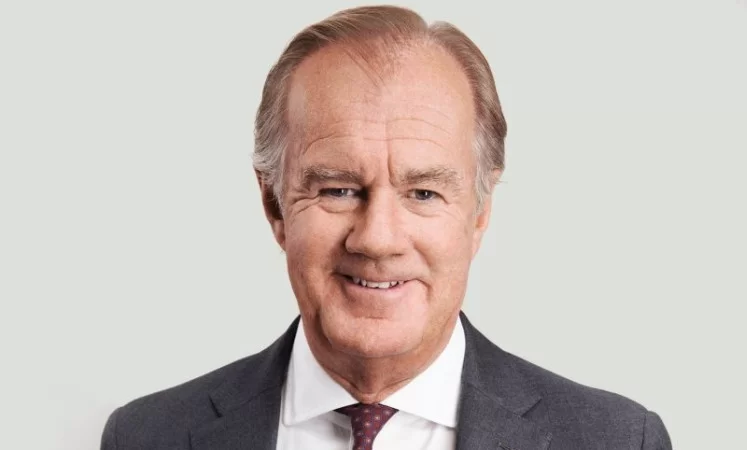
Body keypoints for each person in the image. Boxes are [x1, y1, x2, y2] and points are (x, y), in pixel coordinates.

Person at [101, 5, 671, 450]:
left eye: (423, 193)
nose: (377, 239)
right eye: (338, 189)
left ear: (479, 213)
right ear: (275, 204)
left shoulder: (617, 442)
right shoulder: (147, 438)